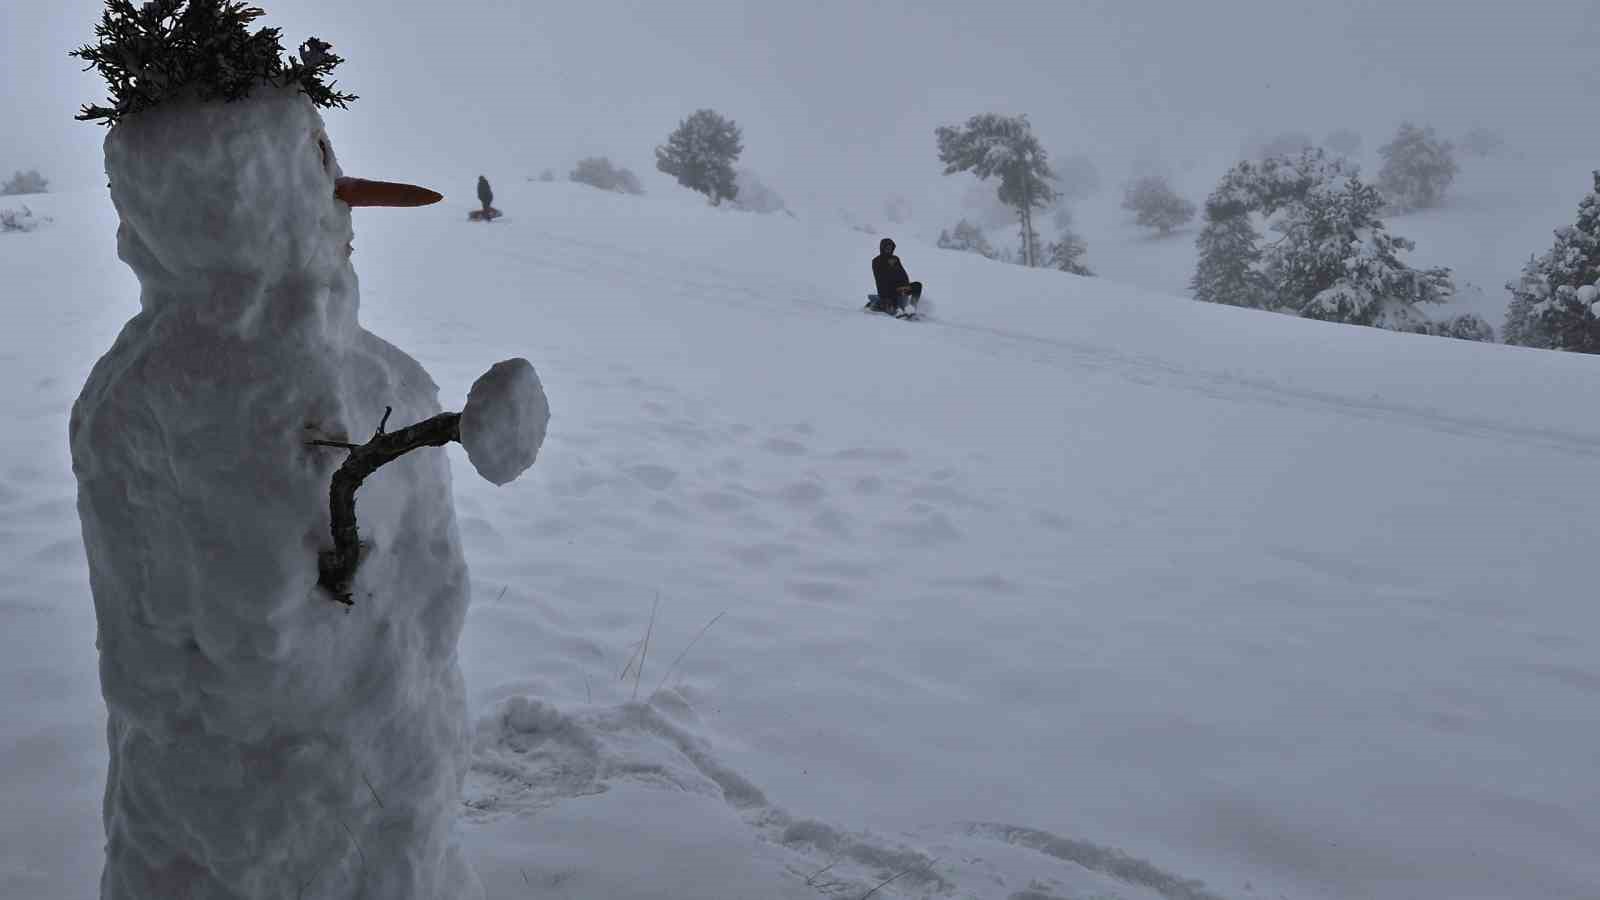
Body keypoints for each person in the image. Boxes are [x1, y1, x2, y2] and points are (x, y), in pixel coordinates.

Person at [871, 238, 922, 316]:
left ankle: (912, 309)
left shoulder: (895, 259)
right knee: (893, 308)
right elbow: (880, 279)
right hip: (887, 292)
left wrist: (905, 285)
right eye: (887, 247)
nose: (889, 249)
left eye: (890, 247)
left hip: (900, 289)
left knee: (917, 285)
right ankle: (894, 309)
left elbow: (903, 273)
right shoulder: (876, 261)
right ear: (882, 248)